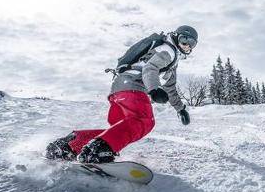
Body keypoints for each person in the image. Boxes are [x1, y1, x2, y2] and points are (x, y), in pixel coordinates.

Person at [45, 25, 198, 163]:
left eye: (191, 43)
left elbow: (170, 88)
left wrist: (180, 109)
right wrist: (154, 89)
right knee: (143, 121)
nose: (186, 45)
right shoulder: (168, 51)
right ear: (175, 37)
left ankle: (70, 145)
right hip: (133, 86)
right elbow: (150, 68)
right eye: (184, 39)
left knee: (119, 131)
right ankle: (97, 151)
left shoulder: (172, 61)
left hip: (119, 88)